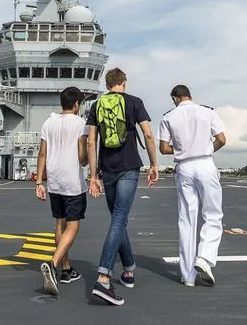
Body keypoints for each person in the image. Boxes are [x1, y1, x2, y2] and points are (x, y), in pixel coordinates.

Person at [86, 68, 159, 306]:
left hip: (107, 169)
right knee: (119, 219)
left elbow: (91, 141)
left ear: (107, 85)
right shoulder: (135, 102)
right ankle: (104, 278)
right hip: (129, 167)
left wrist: (92, 175)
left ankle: (128, 269)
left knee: (118, 218)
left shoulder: (96, 106)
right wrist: (153, 164)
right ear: (124, 84)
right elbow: (148, 135)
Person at [158, 84, 226, 287]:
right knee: (213, 215)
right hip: (205, 163)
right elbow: (222, 139)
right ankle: (204, 258)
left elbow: (163, 148)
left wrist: (182, 149)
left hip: (184, 167)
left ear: (174, 99)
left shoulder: (168, 117)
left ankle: (187, 276)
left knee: (187, 220)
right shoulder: (207, 111)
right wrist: (206, 148)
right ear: (190, 96)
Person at [36, 86, 89, 296]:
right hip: (72, 180)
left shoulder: (48, 122)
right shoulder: (80, 124)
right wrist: (90, 162)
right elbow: (82, 155)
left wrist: (39, 181)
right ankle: (54, 262)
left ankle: (66, 269)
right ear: (76, 104)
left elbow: (42, 154)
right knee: (73, 226)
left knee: (60, 223)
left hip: (54, 179)